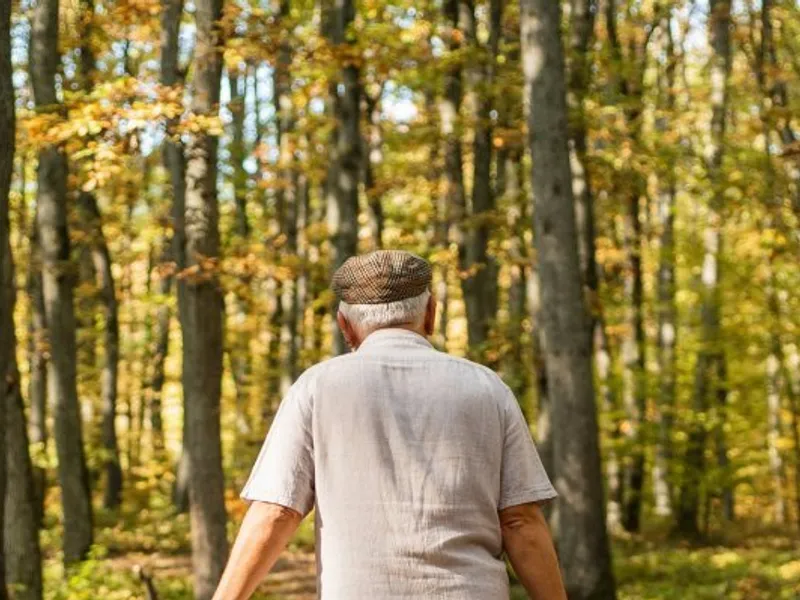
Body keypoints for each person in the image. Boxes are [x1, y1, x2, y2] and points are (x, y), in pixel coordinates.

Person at [212, 250, 567, 600]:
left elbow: (276, 513)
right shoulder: (487, 388)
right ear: (430, 313)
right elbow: (520, 521)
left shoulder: (317, 387)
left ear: (345, 326)